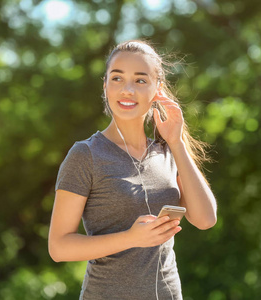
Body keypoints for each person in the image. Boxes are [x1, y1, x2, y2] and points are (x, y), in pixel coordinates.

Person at [48, 40, 217, 300]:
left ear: (157, 89)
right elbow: (59, 247)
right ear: (105, 85)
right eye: (117, 78)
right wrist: (131, 238)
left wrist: (177, 141)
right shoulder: (85, 155)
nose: (127, 90)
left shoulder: (168, 152)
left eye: (140, 80)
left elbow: (206, 219)